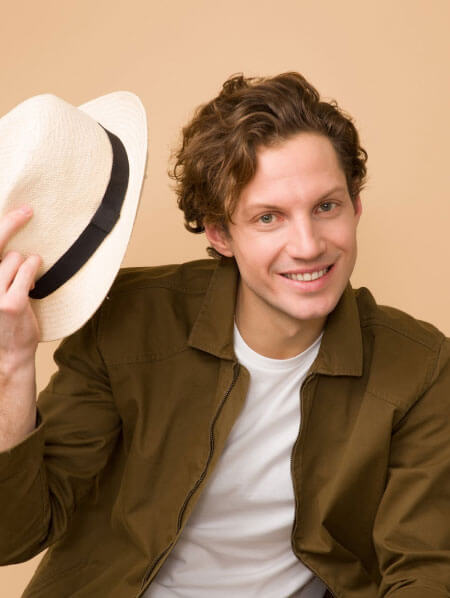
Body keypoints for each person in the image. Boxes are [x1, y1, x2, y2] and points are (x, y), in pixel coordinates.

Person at [0, 73, 449, 598]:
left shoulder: (419, 366)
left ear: (356, 206)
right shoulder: (126, 320)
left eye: (327, 206)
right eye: (268, 217)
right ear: (219, 233)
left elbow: (423, 569)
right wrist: (12, 367)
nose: (308, 245)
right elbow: (14, 534)